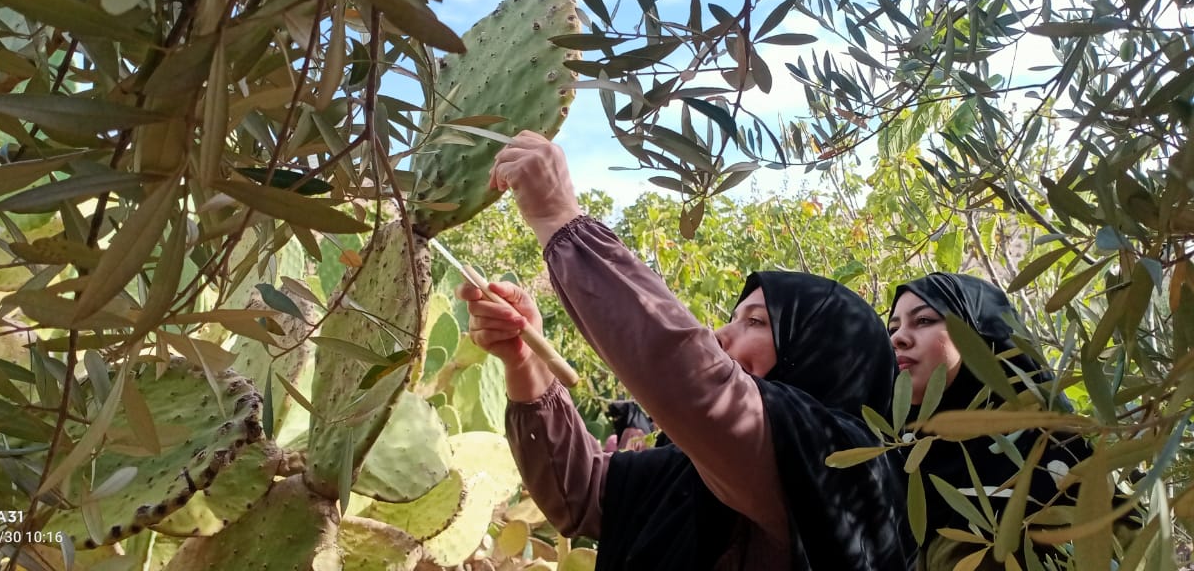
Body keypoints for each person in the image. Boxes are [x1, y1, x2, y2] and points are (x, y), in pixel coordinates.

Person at [456, 130, 913, 570]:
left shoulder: (843, 468)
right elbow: (583, 493)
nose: (718, 335)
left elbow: (703, 388)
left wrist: (559, 219)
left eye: (754, 321)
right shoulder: (690, 477)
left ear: (820, 353)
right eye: (732, 318)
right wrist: (528, 363)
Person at [887, 272, 1129, 569]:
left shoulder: (1056, 452)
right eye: (892, 327)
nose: (897, 338)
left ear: (978, 335)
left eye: (923, 320)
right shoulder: (901, 461)